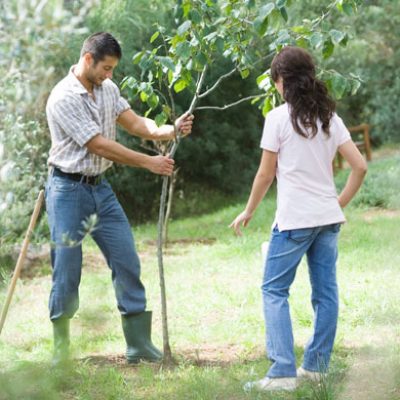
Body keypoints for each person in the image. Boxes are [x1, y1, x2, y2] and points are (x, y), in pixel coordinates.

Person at [45, 32, 194, 365]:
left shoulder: (107, 89)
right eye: (106, 68)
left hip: (101, 188)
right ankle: (61, 351)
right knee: (67, 270)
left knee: (127, 259)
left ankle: (138, 345)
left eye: (113, 69)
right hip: (67, 190)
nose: (109, 75)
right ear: (88, 59)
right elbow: (98, 144)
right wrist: (149, 162)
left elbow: (135, 123)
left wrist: (170, 129)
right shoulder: (62, 97)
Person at [230, 46, 367, 392]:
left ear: (282, 81)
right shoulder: (330, 119)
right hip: (327, 219)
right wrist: (337, 203)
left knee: (273, 289)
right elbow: (360, 166)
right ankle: (316, 368)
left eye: (276, 80)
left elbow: (265, 174)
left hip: (294, 222)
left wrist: (248, 211)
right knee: (326, 293)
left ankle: (281, 374)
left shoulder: (278, 118)